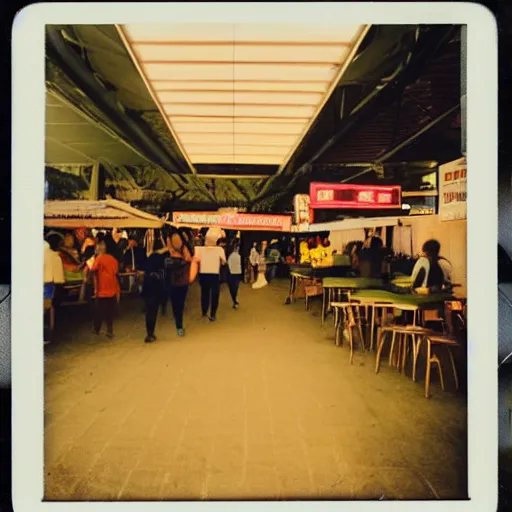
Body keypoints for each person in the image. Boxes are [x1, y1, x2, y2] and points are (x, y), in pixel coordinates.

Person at [163, 229, 197, 337]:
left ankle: (179, 324)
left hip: (179, 281)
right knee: (177, 304)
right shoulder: (172, 251)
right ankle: (179, 324)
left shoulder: (181, 249)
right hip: (178, 281)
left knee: (178, 304)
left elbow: (190, 260)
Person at [91, 237, 121, 339]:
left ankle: (96, 329)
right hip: (112, 288)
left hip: (102, 289)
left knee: (99, 311)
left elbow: (93, 269)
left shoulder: (99, 258)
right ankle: (110, 330)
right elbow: (116, 272)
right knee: (109, 312)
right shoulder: (113, 259)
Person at [195, 228, 227, 321]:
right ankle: (213, 314)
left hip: (203, 273)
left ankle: (204, 311)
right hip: (214, 274)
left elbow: (196, 260)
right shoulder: (219, 250)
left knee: (204, 293)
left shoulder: (199, 249)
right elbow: (224, 262)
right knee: (215, 295)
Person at [141, 237, 168, 342]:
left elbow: (144, 271)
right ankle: (151, 332)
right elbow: (164, 273)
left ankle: (149, 332)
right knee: (153, 311)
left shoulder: (149, 258)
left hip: (147, 288)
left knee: (149, 312)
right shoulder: (162, 259)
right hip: (156, 288)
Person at [44, 234, 66, 335]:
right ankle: (49, 330)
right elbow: (59, 278)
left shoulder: (41, 253)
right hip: (49, 285)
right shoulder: (55, 256)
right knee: (49, 307)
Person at [227, 243, 242, 309]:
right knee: (236, 287)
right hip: (238, 272)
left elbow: (228, 264)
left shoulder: (231, 256)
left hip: (232, 273)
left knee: (232, 288)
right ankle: (235, 299)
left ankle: (235, 300)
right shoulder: (239, 256)